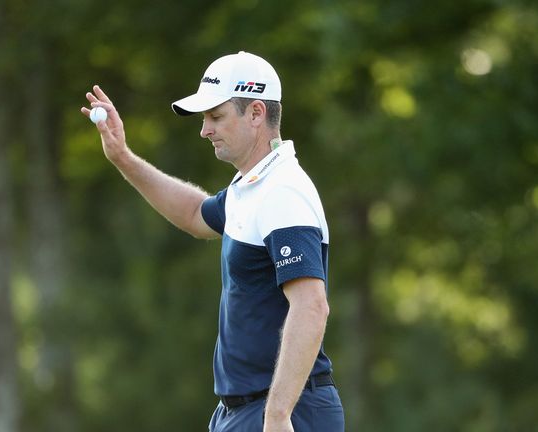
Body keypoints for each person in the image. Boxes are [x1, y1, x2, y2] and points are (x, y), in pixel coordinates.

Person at [81, 51, 344, 432]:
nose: (205, 130)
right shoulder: (251, 187)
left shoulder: (283, 192)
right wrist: (123, 157)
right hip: (245, 411)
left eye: (216, 116)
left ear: (256, 113)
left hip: (285, 413)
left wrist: (277, 416)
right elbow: (193, 214)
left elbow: (311, 306)